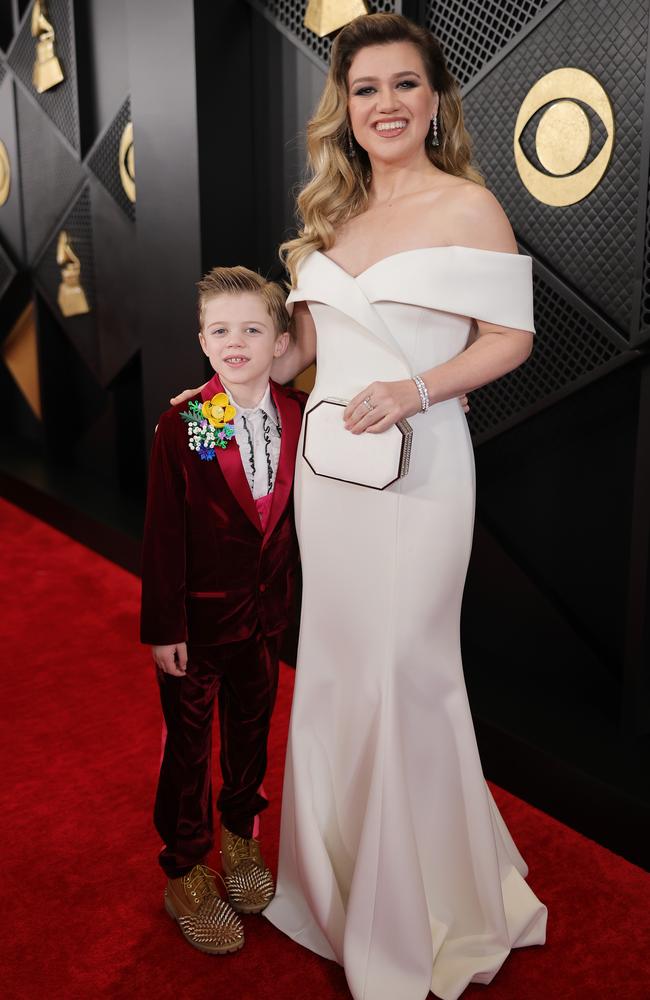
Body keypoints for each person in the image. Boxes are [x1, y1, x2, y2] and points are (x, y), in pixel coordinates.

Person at [260, 13, 547, 1000]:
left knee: (403, 668)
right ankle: (334, 893)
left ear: (433, 101)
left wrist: (416, 389)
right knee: (337, 667)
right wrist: (228, 380)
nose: (383, 104)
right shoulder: (326, 213)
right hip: (328, 477)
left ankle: (422, 908)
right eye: (365, 87)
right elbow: (301, 358)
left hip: (421, 471)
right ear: (343, 105)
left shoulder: (467, 206)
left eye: (403, 85)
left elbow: (509, 337)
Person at [141, 266, 306, 955]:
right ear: (202, 341)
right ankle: (183, 869)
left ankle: (240, 837)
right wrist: (164, 629)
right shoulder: (187, 423)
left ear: (280, 341)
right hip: (197, 629)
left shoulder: (303, 415)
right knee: (188, 751)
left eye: (251, 329)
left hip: (265, 622)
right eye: (220, 331)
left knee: (251, 733)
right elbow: (163, 535)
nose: (235, 342)